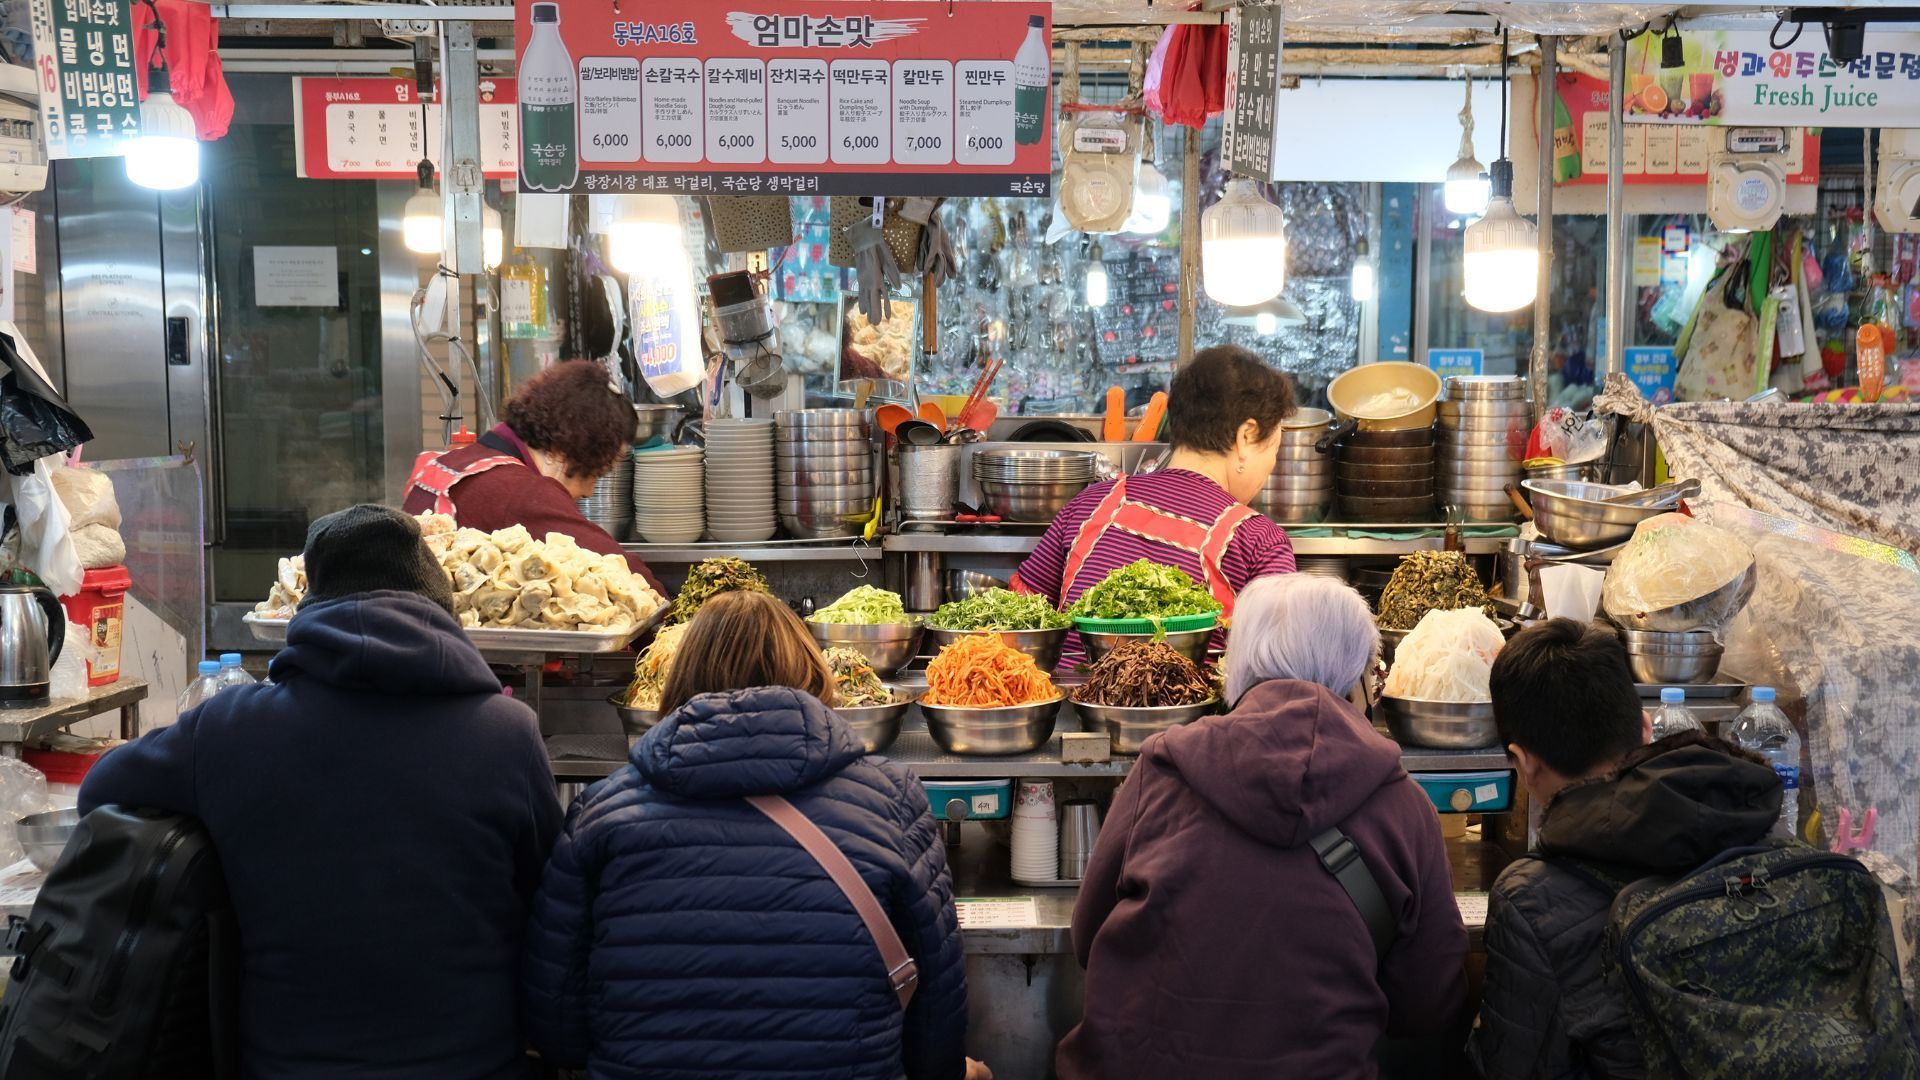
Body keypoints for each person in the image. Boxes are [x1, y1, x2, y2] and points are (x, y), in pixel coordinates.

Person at [78, 505, 562, 1080]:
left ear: (309, 613)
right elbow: (547, 900)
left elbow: (98, 793)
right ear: (441, 614)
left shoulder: (231, 730)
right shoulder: (506, 735)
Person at [521, 590, 985, 1080]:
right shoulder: (891, 796)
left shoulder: (602, 810)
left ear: (678, 680)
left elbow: (556, 1025)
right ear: (811, 673)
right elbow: (937, 1010)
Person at [1059, 574, 1468, 1079]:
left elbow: (1087, 939)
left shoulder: (1161, 771)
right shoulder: (1404, 804)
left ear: (1240, 663)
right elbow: (1428, 1002)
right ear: (1359, 681)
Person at [1469, 619, 1782, 1080]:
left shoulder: (1530, 898)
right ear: (1643, 729)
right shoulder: (1761, 828)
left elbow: (1510, 1065)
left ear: (1523, 762)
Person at [1013, 344, 1298, 666]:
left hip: (1073, 710)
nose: (1271, 464)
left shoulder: (1089, 504)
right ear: (1247, 436)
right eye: (1274, 446)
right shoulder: (1258, 539)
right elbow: (1278, 667)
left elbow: (1019, 623)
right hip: (1195, 713)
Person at [403, 360, 660, 588]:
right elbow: (625, 574)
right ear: (567, 449)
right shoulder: (521, 492)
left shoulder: (455, 460)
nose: (589, 491)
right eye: (596, 473)